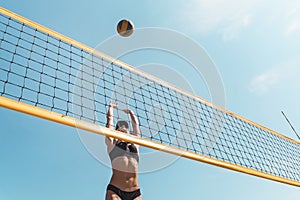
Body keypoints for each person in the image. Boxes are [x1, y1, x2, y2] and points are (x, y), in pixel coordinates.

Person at [105, 102, 142, 200]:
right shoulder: (112, 143)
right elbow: (109, 123)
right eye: (120, 126)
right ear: (116, 131)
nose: (123, 127)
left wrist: (131, 113)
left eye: (125, 126)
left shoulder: (135, 144)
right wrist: (111, 108)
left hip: (135, 191)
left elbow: (136, 126)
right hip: (116, 190)